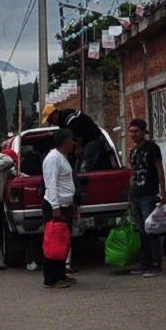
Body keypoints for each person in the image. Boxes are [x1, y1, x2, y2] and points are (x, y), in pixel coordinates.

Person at [127, 119, 166, 278]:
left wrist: (163, 192)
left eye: (136, 131)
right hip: (136, 196)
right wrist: (129, 194)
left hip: (149, 195)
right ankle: (145, 264)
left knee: (152, 231)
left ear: (144, 132)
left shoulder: (152, 148)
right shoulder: (133, 151)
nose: (133, 134)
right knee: (142, 232)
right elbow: (132, 173)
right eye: (131, 131)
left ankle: (156, 265)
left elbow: (159, 169)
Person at [42, 129, 77, 289]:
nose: (73, 143)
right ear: (64, 141)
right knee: (54, 242)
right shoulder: (53, 159)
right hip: (56, 207)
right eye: (71, 140)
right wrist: (56, 207)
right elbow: (51, 184)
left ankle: (61, 274)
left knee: (63, 242)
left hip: (65, 205)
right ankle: (51, 278)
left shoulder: (62, 157)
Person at [42, 104, 106, 172]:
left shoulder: (69, 117)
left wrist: (78, 148)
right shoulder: (62, 122)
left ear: (54, 114)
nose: (51, 123)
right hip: (86, 142)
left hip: (94, 139)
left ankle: (84, 178)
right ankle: (78, 177)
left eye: (50, 120)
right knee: (77, 168)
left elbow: (78, 132)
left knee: (85, 166)